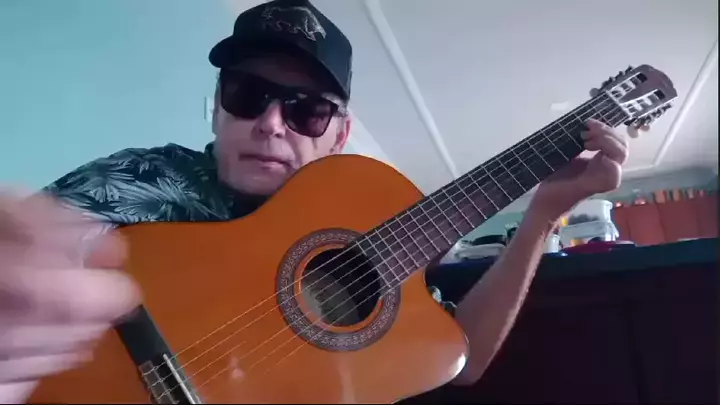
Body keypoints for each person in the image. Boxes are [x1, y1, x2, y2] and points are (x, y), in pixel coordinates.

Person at [0, 0, 630, 402]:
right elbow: (30, 254)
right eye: (248, 95)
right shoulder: (148, 176)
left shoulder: (367, 221)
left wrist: (542, 213)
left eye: (306, 111)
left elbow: (455, 357)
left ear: (339, 134)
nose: (271, 123)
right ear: (217, 108)